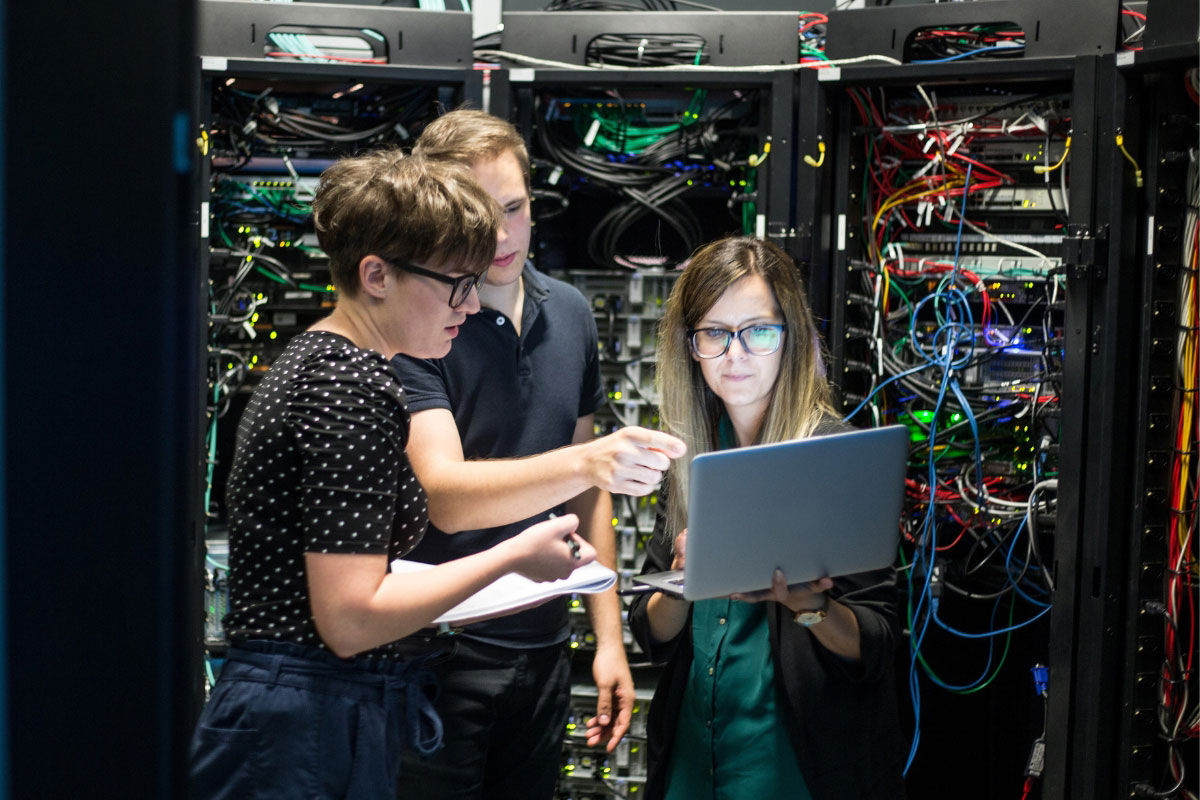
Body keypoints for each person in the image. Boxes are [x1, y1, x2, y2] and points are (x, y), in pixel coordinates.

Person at [189, 150, 598, 800]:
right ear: (376, 274)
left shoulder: (332, 364)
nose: (468, 307)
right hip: (304, 721)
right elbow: (350, 619)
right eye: (454, 284)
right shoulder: (347, 386)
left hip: (309, 712)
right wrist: (513, 556)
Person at [390, 109, 686, 799]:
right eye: (476, 213)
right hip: (440, 654)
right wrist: (586, 463)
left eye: (514, 208)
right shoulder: (420, 324)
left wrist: (607, 638)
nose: (499, 235)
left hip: (545, 650)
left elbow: (588, 495)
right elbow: (447, 494)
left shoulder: (571, 313)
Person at [622, 236, 905, 800]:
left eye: (758, 331)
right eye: (715, 334)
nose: (736, 354)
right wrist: (681, 584)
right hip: (692, 766)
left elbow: (876, 643)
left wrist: (811, 608)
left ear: (789, 338)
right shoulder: (689, 454)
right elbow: (650, 634)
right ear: (691, 345)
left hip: (791, 771)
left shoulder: (836, 458)